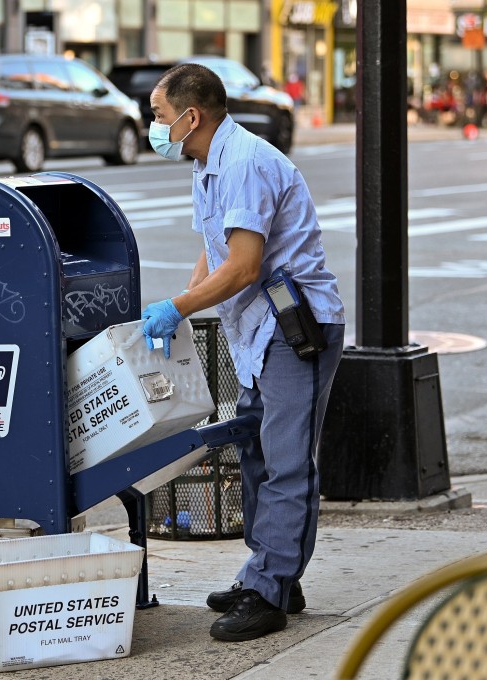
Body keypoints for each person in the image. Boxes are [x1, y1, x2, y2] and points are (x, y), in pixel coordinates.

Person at [140, 63, 346, 642]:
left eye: (158, 115)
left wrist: (178, 307)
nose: (154, 127)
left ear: (191, 116)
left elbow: (245, 266)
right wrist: (183, 301)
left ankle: (269, 591)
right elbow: (216, 250)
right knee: (254, 450)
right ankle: (273, 571)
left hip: (294, 329)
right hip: (258, 331)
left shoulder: (248, 163)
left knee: (285, 460)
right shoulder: (209, 165)